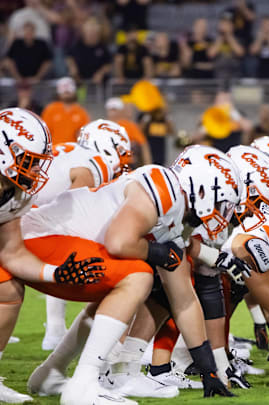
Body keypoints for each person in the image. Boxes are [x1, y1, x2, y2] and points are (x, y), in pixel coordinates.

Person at [28, 145, 243, 402]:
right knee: (139, 274)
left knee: (135, 279)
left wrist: (208, 370)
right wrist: (157, 253)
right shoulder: (163, 189)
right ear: (202, 188)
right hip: (42, 239)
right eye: (222, 202)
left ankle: (52, 372)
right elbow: (119, 242)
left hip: (57, 245)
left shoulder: (175, 216)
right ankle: (84, 385)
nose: (224, 212)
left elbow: (184, 300)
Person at [0, 108, 109, 403]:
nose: (36, 172)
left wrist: (54, 272)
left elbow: (11, 252)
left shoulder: (17, 192)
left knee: (8, 286)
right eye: (30, 162)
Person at [40, 119, 132, 351]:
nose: (123, 160)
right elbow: (73, 216)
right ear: (105, 144)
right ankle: (62, 332)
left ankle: (56, 329)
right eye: (120, 151)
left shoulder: (70, 151)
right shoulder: (94, 164)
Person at [41, 77, 90, 145]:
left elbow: (86, 135)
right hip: (54, 151)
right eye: (64, 91)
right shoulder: (50, 109)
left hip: (74, 151)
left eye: (69, 90)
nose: (66, 92)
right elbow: (44, 133)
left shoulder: (81, 111)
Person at [105, 97, 151, 168]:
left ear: (121, 111)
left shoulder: (129, 126)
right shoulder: (103, 126)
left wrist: (148, 165)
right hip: (108, 164)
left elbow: (143, 144)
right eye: (111, 110)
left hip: (127, 165)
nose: (112, 113)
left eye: (115, 110)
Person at [66, 18, 111, 84]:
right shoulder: (77, 45)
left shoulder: (103, 47)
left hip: (98, 84)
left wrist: (101, 73)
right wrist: (73, 68)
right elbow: (69, 57)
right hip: (80, 82)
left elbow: (108, 64)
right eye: (89, 30)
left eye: (93, 31)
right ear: (84, 32)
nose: (91, 33)